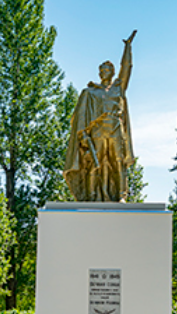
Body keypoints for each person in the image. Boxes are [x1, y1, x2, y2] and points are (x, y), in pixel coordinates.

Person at [64, 30, 137, 202]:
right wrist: (83, 135)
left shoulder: (118, 88)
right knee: (94, 164)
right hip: (97, 130)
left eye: (107, 70)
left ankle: (121, 196)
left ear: (112, 72)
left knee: (118, 162)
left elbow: (126, 68)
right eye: (101, 70)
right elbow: (81, 116)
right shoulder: (91, 92)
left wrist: (127, 47)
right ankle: (91, 196)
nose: (104, 72)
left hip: (115, 128)